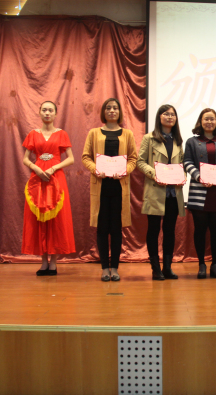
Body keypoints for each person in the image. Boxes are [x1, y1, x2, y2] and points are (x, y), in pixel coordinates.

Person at [82, 98, 137, 282]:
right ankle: (105, 268)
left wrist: (125, 171)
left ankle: (115, 268)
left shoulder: (127, 134)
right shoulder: (94, 133)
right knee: (102, 228)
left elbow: (133, 159)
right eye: (108, 108)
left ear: (119, 112)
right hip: (101, 186)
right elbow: (86, 157)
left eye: (115, 108)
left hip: (119, 187)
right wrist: (96, 169)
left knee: (116, 228)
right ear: (104, 112)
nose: (112, 111)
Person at [22, 101, 75, 275]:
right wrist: (36, 168)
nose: (47, 113)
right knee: (39, 218)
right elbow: (25, 159)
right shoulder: (33, 134)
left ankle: (53, 262)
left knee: (56, 219)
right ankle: (43, 262)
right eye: (44, 110)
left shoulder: (61, 134)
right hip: (37, 180)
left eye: (50, 110)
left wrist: (53, 168)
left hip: (56, 179)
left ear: (55, 113)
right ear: (39, 112)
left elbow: (71, 159)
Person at [184, 108, 216, 279]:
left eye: (212, 119)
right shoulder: (192, 142)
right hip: (200, 192)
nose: (209, 122)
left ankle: (215, 264)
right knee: (200, 230)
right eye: (206, 119)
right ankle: (201, 264)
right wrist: (199, 177)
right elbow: (187, 162)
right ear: (200, 121)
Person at [137, 104, 186, 281]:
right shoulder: (149, 138)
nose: (170, 117)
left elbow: (182, 164)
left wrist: (183, 176)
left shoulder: (178, 140)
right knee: (153, 230)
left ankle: (167, 267)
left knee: (170, 230)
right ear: (159, 117)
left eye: (173, 114)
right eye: (166, 114)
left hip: (174, 192)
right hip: (156, 190)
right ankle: (155, 268)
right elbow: (140, 162)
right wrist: (154, 173)